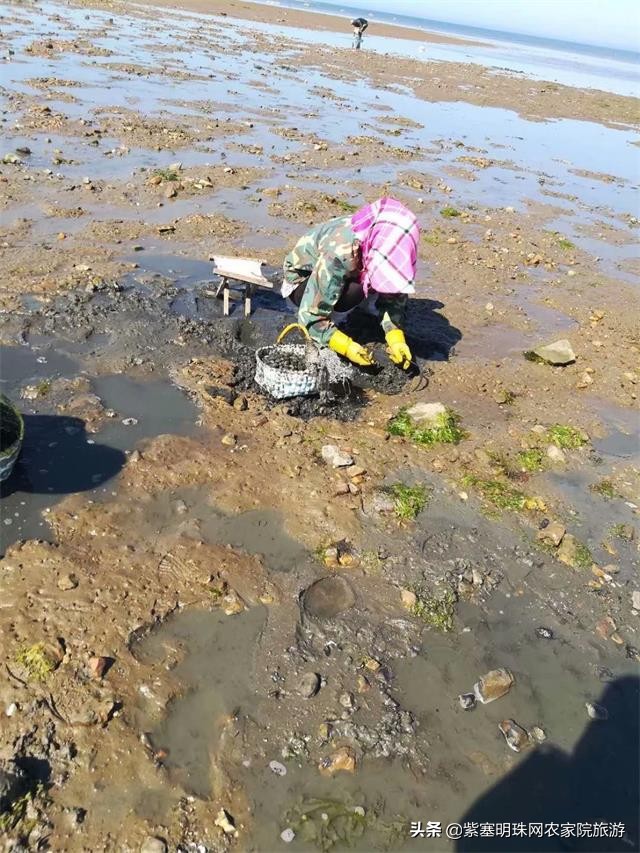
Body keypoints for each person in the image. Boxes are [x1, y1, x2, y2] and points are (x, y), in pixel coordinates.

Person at [282, 197, 419, 369]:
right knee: (355, 291)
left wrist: (395, 336)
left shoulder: (391, 242)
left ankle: (360, 300)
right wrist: (345, 345)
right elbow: (310, 317)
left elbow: (395, 295)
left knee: (372, 284)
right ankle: (336, 319)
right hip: (303, 281)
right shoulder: (341, 252)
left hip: (345, 269)